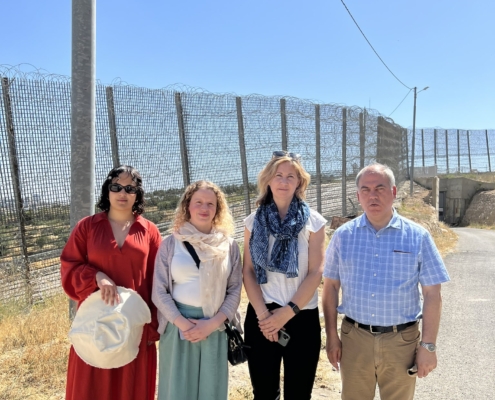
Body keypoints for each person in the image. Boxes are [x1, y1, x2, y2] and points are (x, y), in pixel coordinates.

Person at [322, 163, 450, 400]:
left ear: (393, 192)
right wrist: (331, 336)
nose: (373, 195)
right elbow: (330, 287)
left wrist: (428, 346)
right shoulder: (343, 237)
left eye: (380, 188)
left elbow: (433, 293)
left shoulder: (417, 236)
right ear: (358, 196)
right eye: (366, 189)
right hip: (355, 340)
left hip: (401, 341)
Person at [60, 165, 162, 400]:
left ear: (138, 194)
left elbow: (159, 280)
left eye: (130, 188)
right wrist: (97, 276)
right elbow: (69, 267)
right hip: (95, 325)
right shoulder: (87, 227)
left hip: (134, 325)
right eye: (116, 187)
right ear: (107, 190)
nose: (122, 193)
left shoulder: (150, 232)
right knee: (90, 388)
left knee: (130, 388)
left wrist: (153, 324)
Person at [242, 151, 327, 400]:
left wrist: (287, 312)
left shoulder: (314, 222)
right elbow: (248, 271)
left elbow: (316, 271)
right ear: (268, 180)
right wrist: (265, 317)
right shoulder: (252, 222)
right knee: (264, 394)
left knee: (299, 394)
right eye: (278, 175)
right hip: (262, 317)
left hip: (301, 316)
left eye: (291, 176)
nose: (284, 181)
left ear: (300, 182)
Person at [152, 180, 242, 400]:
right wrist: (183, 324)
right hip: (178, 327)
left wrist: (211, 324)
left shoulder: (229, 246)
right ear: (187, 206)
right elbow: (159, 291)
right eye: (198, 202)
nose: (204, 208)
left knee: (210, 392)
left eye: (210, 204)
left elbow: (234, 291)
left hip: (215, 326)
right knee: (177, 390)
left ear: (217, 209)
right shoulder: (171, 244)